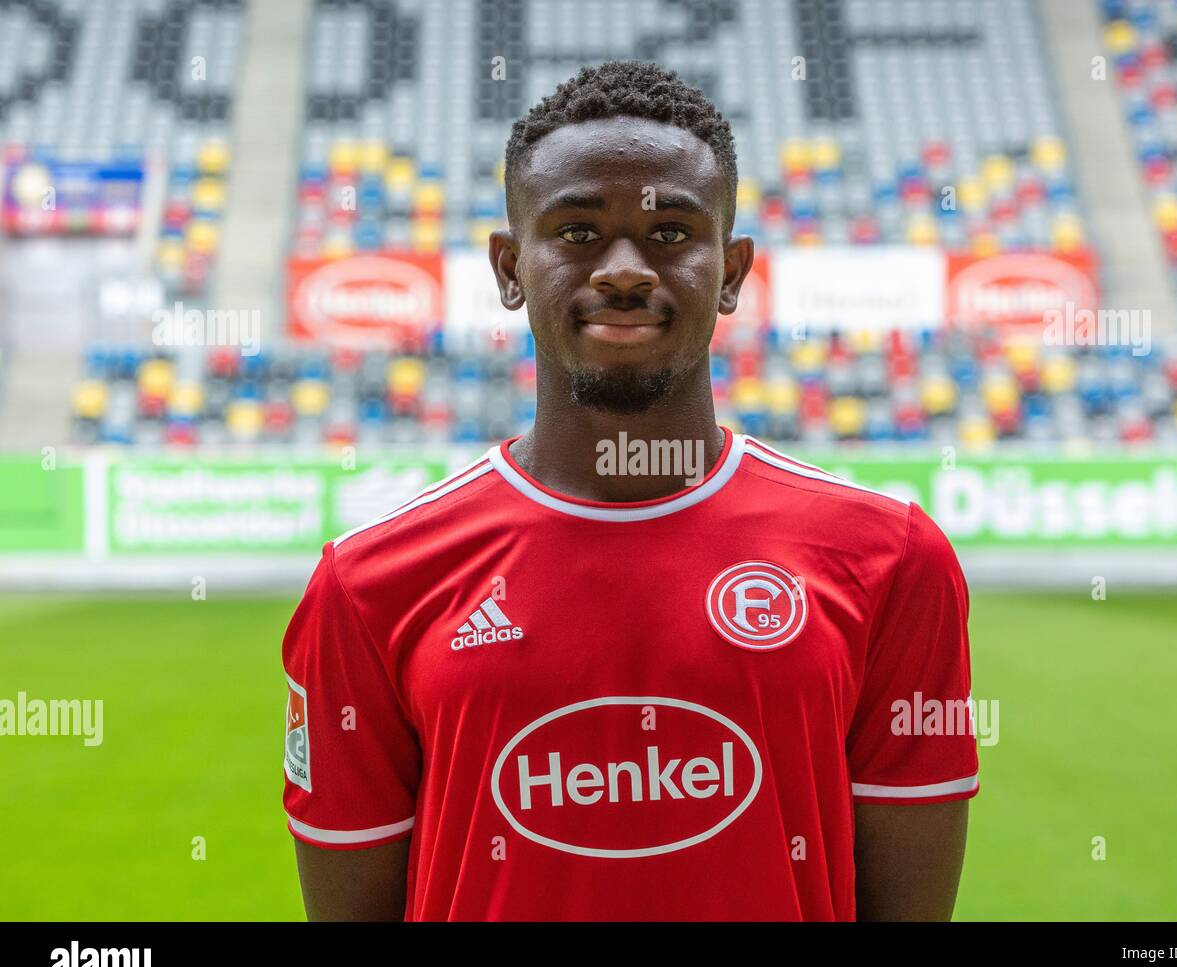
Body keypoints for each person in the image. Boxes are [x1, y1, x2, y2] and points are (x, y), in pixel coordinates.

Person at [283, 60, 978, 921]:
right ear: (509, 268)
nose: (621, 269)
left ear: (730, 271)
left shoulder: (891, 559)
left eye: (670, 234)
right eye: (576, 232)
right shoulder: (367, 584)